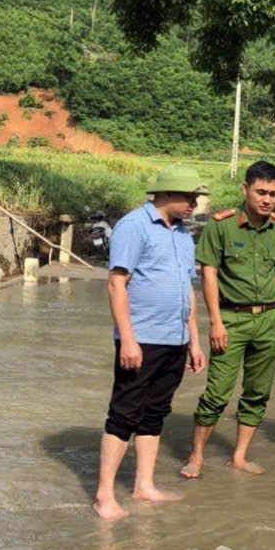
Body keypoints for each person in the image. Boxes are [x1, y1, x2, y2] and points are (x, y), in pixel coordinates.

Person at [93, 163, 209, 520]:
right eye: (189, 197)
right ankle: (104, 496)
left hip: (174, 339)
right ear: (166, 195)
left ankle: (144, 486)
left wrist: (194, 340)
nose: (194, 204)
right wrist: (128, 339)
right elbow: (116, 284)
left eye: (195, 198)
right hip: (142, 339)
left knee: (154, 414)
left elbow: (187, 290)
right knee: (124, 413)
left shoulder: (182, 235)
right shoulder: (134, 226)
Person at [181, 160, 275, 478]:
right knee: (217, 392)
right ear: (245, 189)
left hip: (269, 321)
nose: (267, 199)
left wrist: (263, 307)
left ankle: (240, 456)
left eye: (273, 193)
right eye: (261, 191)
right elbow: (208, 274)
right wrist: (216, 321)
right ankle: (197, 457)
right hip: (230, 320)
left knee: (258, 392)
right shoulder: (222, 225)